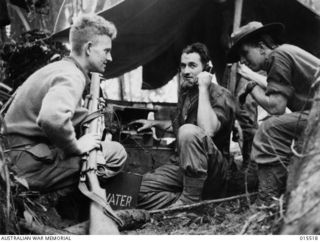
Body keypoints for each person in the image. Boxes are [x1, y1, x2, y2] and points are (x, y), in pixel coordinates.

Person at [3, 14, 127, 193]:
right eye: (106, 51)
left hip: (16, 157)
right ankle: (73, 203)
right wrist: (75, 147)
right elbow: (51, 118)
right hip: (24, 168)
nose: (110, 58)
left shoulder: (60, 68)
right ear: (89, 48)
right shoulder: (72, 76)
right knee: (115, 153)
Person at [131, 42, 236, 209]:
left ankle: (190, 199)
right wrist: (154, 123)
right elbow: (181, 127)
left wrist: (203, 87)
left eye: (192, 65)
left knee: (188, 132)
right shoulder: (187, 94)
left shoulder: (221, 95)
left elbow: (207, 130)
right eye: (183, 66)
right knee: (135, 191)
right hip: (183, 165)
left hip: (213, 170)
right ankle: (186, 203)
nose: (186, 71)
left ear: (207, 68)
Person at [228, 21, 320, 204]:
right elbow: (284, 90)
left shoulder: (278, 57)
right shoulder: (285, 53)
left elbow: (276, 107)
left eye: (245, 53)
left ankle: (266, 202)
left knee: (270, 128)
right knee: (277, 126)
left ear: (261, 47)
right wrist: (255, 84)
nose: (243, 60)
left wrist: (252, 88)